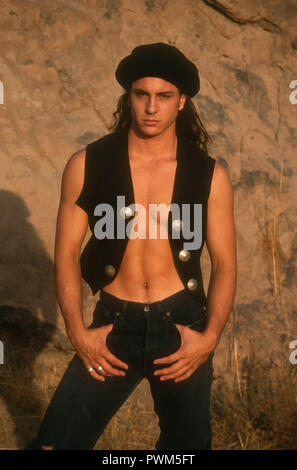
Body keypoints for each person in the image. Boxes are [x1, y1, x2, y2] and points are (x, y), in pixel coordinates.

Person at [24, 42, 237, 450]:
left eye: (164, 96)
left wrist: (208, 337)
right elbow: (67, 253)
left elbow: (225, 263)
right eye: (142, 95)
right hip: (112, 325)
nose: (151, 108)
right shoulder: (88, 163)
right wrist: (77, 330)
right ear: (129, 97)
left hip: (182, 325)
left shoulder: (210, 175)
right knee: (53, 445)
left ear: (182, 101)